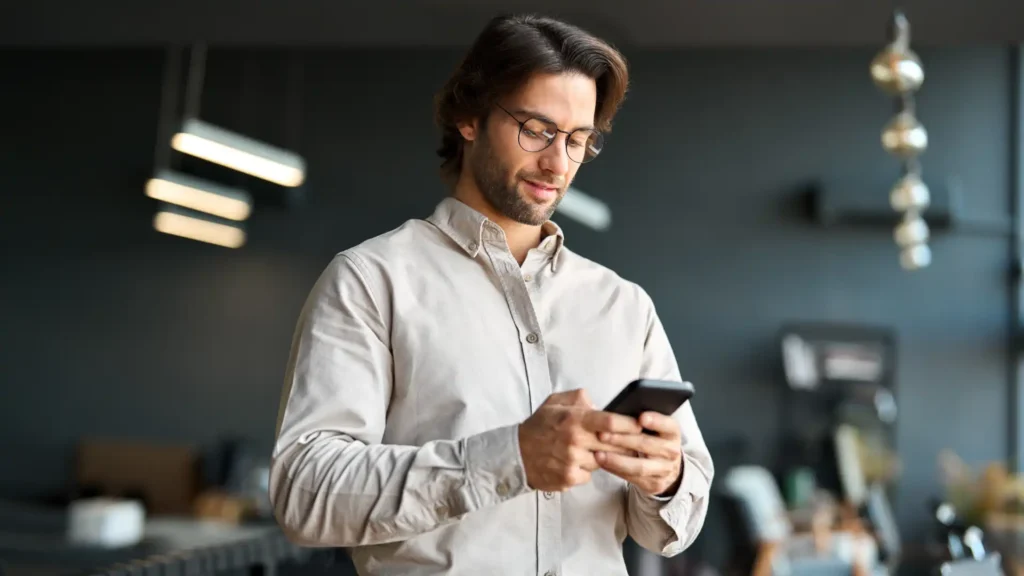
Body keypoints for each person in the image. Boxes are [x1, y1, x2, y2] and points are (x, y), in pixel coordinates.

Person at [270, 13, 713, 575]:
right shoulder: (371, 280)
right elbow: (305, 493)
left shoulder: (624, 307)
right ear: (468, 116)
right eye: (536, 129)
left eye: (579, 141)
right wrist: (509, 459)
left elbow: (671, 530)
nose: (558, 163)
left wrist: (666, 477)